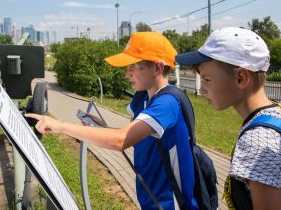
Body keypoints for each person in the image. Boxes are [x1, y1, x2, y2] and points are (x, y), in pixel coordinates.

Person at [26, 31, 198, 210]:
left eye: (133, 66)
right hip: (150, 199)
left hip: (171, 203)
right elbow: (134, 134)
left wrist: (60, 126)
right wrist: (103, 128)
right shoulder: (143, 98)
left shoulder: (167, 103)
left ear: (157, 68)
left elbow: (120, 140)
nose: (127, 74)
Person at [175, 27, 281, 210]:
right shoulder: (279, 114)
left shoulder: (258, 142)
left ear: (240, 78)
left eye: (207, 80)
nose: (201, 90)